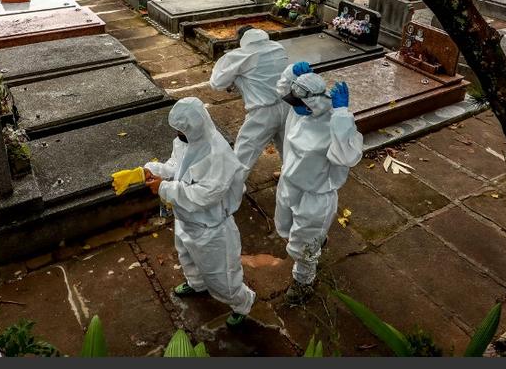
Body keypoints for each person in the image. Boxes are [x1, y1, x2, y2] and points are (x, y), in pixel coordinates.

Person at [143, 97, 256, 327]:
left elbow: (205, 195)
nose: (178, 136)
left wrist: (163, 187)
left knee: (222, 276)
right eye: (177, 131)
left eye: (182, 132)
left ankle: (241, 303)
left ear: (195, 129)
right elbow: (176, 166)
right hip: (186, 219)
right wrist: (153, 170)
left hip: (211, 228)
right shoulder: (185, 141)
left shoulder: (218, 154)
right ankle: (196, 284)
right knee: (186, 257)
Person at [275, 61, 364, 306]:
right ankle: (318, 239)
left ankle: (304, 280)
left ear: (312, 102)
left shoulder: (334, 124)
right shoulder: (301, 110)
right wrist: (291, 70)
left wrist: (343, 115)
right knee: (285, 225)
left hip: (315, 195)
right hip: (291, 183)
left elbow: (348, 156)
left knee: (303, 245)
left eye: (299, 104)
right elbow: (282, 91)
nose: (294, 107)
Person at [208, 26, 289, 185]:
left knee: (244, 153)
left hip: (263, 112)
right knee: (288, 147)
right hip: (288, 105)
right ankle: (290, 177)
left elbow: (217, 83)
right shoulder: (278, 47)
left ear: (241, 40)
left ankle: (229, 191)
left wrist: (236, 77)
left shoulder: (240, 55)